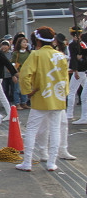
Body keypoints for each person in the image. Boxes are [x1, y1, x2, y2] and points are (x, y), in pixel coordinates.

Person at [16, 27, 70, 172]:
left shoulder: (36, 54)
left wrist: (28, 91)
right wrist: (64, 94)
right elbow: (65, 78)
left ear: (38, 40)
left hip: (41, 97)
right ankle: (51, 163)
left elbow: (24, 75)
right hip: (58, 98)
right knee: (55, 129)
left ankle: (27, 162)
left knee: (32, 129)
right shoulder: (61, 56)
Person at [66, 27, 87, 124]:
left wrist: (75, 70)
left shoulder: (77, 44)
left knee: (73, 91)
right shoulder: (80, 44)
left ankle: (70, 113)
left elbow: (74, 58)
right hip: (83, 70)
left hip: (80, 70)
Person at [11, 36, 31, 110]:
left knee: (25, 88)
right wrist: (14, 73)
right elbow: (13, 63)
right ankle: (17, 103)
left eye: (26, 42)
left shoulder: (29, 53)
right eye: (24, 42)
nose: (25, 44)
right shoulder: (16, 53)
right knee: (17, 89)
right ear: (19, 43)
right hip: (18, 73)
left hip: (27, 73)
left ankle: (24, 102)